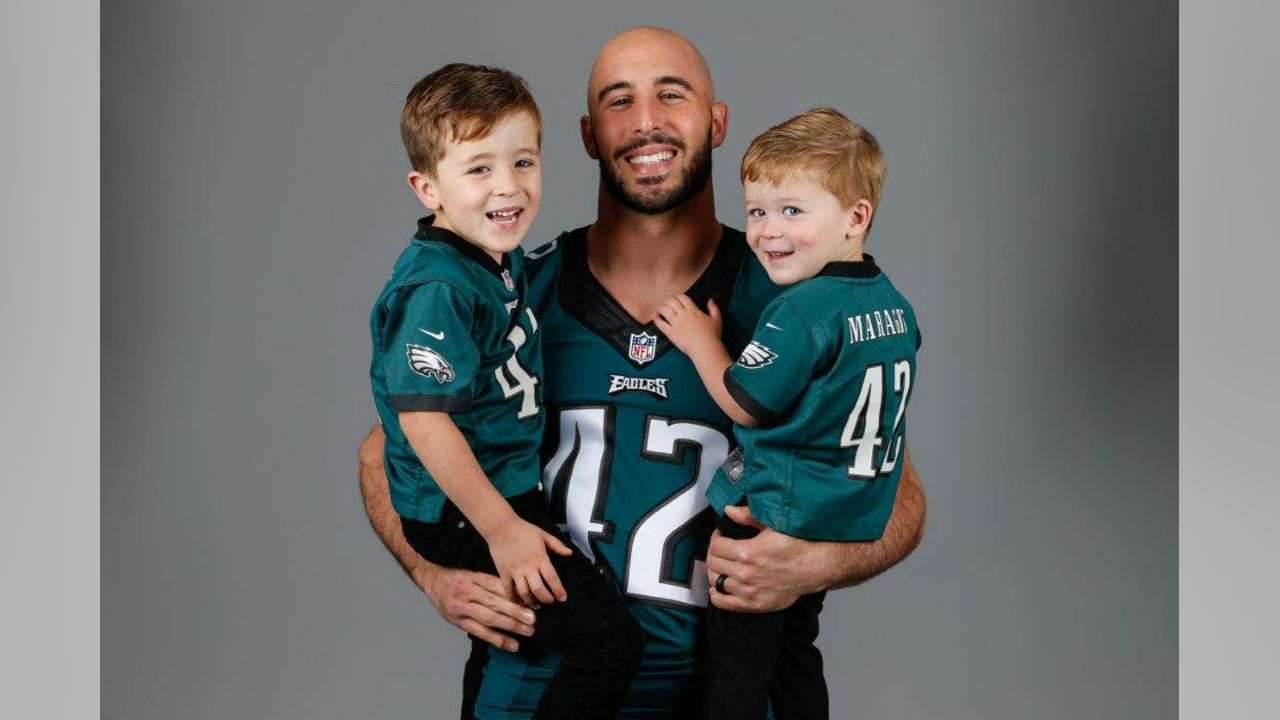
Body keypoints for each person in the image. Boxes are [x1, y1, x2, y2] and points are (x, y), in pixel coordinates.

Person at [358, 27, 927, 719]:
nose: (647, 120)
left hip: (730, 691)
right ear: (590, 135)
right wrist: (434, 572)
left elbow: (895, 493)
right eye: (619, 101)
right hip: (543, 684)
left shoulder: (796, 299)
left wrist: (817, 565)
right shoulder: (516, 287)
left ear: (717, 122)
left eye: (672, 94)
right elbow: (389, 446)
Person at [368, 62, 643, 719]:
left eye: (523, 162)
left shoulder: (494, 253)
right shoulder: (439, 287)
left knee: (518, 649)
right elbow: (425, 423)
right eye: (479, 168)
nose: (508, 187)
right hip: (465, 508)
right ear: (426, 187)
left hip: (505, 489)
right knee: (607, 646)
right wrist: (502, 529)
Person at [654, 107, 919, 719]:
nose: (768, 231)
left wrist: (701, 343)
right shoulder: (895, 306)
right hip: (842, 511)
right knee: (795, 647)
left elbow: (746, 404)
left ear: (857, 217)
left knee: (736, 666)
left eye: (792, 211)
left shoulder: (800, 308)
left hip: (771, 513)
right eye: (757, 211)